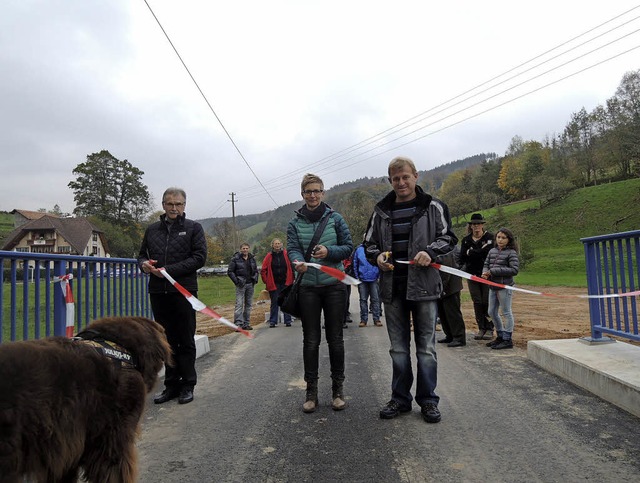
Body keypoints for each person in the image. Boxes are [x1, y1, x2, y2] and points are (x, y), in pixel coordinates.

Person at [364, 156, 457, 423]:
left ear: (416, 176)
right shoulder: (380, 210)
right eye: (395, 178)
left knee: (426, 347)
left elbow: (449, 237)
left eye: (405, 177)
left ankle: (428, 400)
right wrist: (378, 257)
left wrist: (430, 252)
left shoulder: (434, 206)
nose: (401, 182)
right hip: (393, 288)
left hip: (425, 287)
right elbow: (368, 244)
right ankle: (400, 399)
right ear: (390, 180)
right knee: (398, 349)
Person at [287, 173, 353, 413]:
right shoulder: (294, 223)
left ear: (323, 193)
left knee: (335, 339)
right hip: (307, 288)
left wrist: (329, 251)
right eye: (308, 191)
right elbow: (292, 248)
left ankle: (338, 390)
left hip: (334, 286)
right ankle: (311, 392)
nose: (312, 195)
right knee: (311, 340)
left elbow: (348, 247)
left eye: (317, 191)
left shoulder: (335, 218)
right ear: (302, 194)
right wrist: (296, 262)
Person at [138, 187, 207, 405]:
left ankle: (188, 384)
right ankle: (171, 385)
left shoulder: (194, 228)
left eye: (178, 204)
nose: (174, 208)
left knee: (185, 339)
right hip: (158, 292)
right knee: (165, 341)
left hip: (183, 291)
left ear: (184, 205)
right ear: (163, 205)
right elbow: (141, 256)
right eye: (170, 204)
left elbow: (199, 258)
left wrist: (169, 270)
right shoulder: (152, 230)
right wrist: (144, 265)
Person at [482, 228, 520, 350]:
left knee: (506, 312)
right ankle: (500, 335)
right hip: (492, 286)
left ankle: (507, 339)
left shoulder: (511, 253)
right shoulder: (492, 251)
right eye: (498, 237)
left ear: (509, 240)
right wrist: (484, 272)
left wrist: (493, 271)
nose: (500, 240)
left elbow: (514, 270)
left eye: (503, 238)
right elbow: (486, 264)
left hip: (504, 287)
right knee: (491, 312)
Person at [459, 213, 495, 340]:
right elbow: (463, 256)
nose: (476, 226)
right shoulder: (466, 240)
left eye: (478, 223)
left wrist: (472, 252)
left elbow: (487, 253)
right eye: (474, 224)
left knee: (487, 301)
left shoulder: (490, 238)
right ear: (471, 226)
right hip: (472, 275)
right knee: (477, 302)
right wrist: (477, 252)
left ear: (482, 225)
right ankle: (481, 328)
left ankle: (490, 328)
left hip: (486, 275)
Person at [435, 247, 466, 347]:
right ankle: (449, 335)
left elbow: (446, 270)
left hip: (450, 285)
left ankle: (459, 337)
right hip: (440, 286)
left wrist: (443, 288)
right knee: (443, 313)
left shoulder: (444, 248)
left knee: (452, 313)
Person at [260, 238, 294, 327]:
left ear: (281, 244)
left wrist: (292, 278)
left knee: (286, 301)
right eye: (275, 244)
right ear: (272, 245)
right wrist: (266, 281)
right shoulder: (269, 256)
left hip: (286, 282)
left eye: (279, 243)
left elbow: (292, 266)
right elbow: (263, 270)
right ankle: (273, 321)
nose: (277, 245)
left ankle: (288, 320)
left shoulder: (286, 254)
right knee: (274, 302)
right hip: (274, 283)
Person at [227, 243, 259, 331]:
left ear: (249, 249)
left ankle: (246, 323)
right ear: (241, 249)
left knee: (248, 305)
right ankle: (238, 324)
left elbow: (256, 270)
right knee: (239, 304)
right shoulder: (235, 259)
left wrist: (255, 279)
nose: (245, 250)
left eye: (247, 248)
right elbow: (230, 271)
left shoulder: (252, 259)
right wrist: (236, 281)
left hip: (250, 284)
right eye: (243, 248)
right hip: (241, 285)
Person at [351, 243, 382, 327]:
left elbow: (381, 262)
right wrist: (356, 277)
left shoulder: (376, 249)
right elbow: (355, 263)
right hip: (362, 279)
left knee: (375, 299)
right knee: (363, 300)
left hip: (374, 278)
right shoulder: (359, 250)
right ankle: (363, 320)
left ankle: (377, 319)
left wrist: (379, 276)